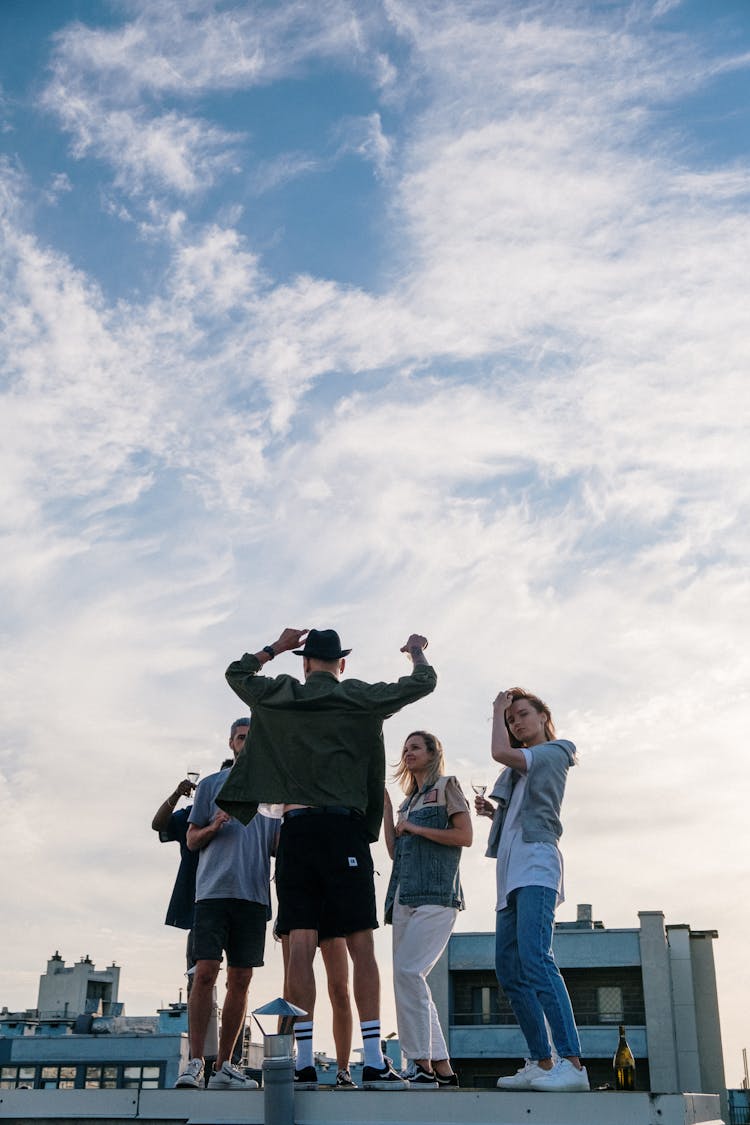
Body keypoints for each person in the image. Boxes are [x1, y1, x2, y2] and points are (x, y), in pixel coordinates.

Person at [218, 626, 437, 1090]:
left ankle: (301, 1062)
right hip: (343, 833)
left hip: (295, 832)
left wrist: (274, 647)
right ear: (341, 664)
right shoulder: (357, 696)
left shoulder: (281, 694)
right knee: (360, 944)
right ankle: (375, 1060)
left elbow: (236, 673)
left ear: (303, 663)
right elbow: (423, 683)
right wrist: (416, 652)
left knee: (300, 946)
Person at [475, 688, 589, 1093]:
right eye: (510, 720)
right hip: (510, 874)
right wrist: (494, 813)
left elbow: (500, 753)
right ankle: (542, 1061)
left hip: (537, 867)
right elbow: (518, 814)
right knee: (508, 968)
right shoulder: (520, 772)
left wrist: (495, 709)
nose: (516, 723)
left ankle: (572, 1064)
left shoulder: (556, 751)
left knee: (537, 959)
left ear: (543, 716)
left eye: (522, 715)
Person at [175, 718, 277, 1091]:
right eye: (240, 738)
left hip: (253, 896)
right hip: (213, 894)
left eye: (253, 738)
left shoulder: (273, 788)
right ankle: (194, 1063)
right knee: (204, 973)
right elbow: (191, 839)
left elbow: (278, 845)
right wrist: (214, 826)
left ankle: (224, 1067)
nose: (246, 744)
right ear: (231, 743)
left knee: (242, 978)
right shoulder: (210, 786)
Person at [383, 731, 471, 1088]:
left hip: (436, 894)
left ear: (434, 753)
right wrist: (388, 812)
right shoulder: (407, 802)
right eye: (405, 748)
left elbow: (464, 836)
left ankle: (419, 1063)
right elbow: (394, 852)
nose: (408, 753)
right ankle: (441, 1067)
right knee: (408, 978)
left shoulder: (447, 785)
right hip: (404, 897)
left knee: (408, 972)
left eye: (415, 747)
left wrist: (415, 828)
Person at [278, 933, 356, 1088]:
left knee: (340, 990)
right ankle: (288, 1066)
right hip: (297, 912)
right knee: (290, 991)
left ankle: (343, 1070)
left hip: (331, 912)